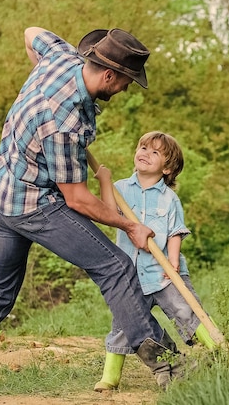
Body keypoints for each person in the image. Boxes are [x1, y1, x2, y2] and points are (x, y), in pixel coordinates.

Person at [0, 27, 186, 398]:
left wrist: (37, 90)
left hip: (0, 196)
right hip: (34, 207)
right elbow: (77, 199)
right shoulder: (65, 123)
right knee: (116, 266)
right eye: (126, 81)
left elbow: (29, 33)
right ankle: (168, 365)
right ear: (109, 75)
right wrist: (130, 225)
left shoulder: (59, 58)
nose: (125, 90)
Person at [92, 131, 217, 392]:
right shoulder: (122, 189)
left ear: (168, 168)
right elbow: (106, 211)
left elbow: (175, 232)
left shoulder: (169, 199)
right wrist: (105, 180)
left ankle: (217, 347)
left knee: (185, 310)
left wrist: (171, 264)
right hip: (130, 276)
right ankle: (110, 376)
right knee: (123, 324)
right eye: (143, 147)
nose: (145, 153)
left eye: (154, 152)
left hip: (162, 272)